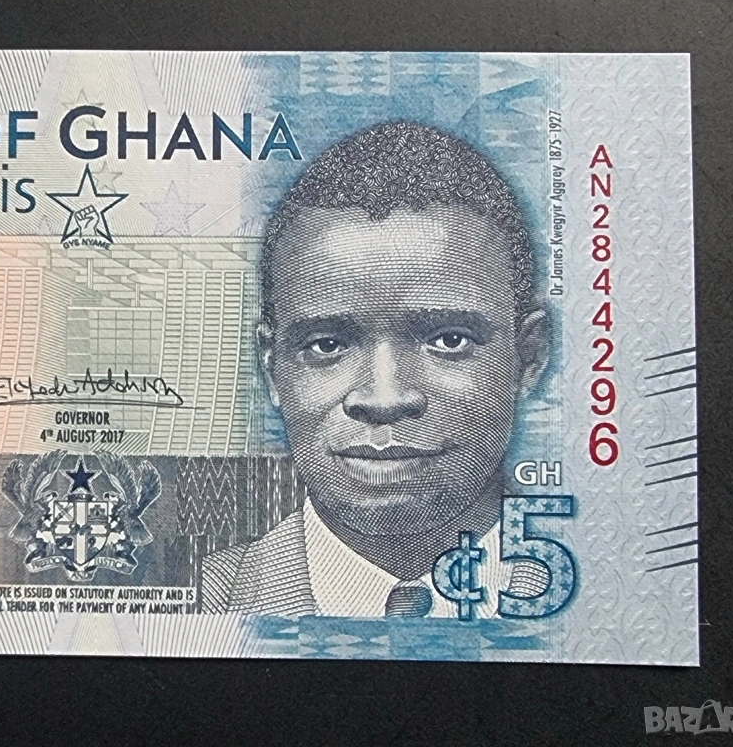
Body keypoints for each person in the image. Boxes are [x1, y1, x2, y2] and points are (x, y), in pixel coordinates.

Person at [201, 121, 550, 618]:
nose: (384, 398)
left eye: (449, 341)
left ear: (528, 357)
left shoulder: (616, 588)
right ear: (273, 368)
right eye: (326, 345)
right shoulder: (200, 601)